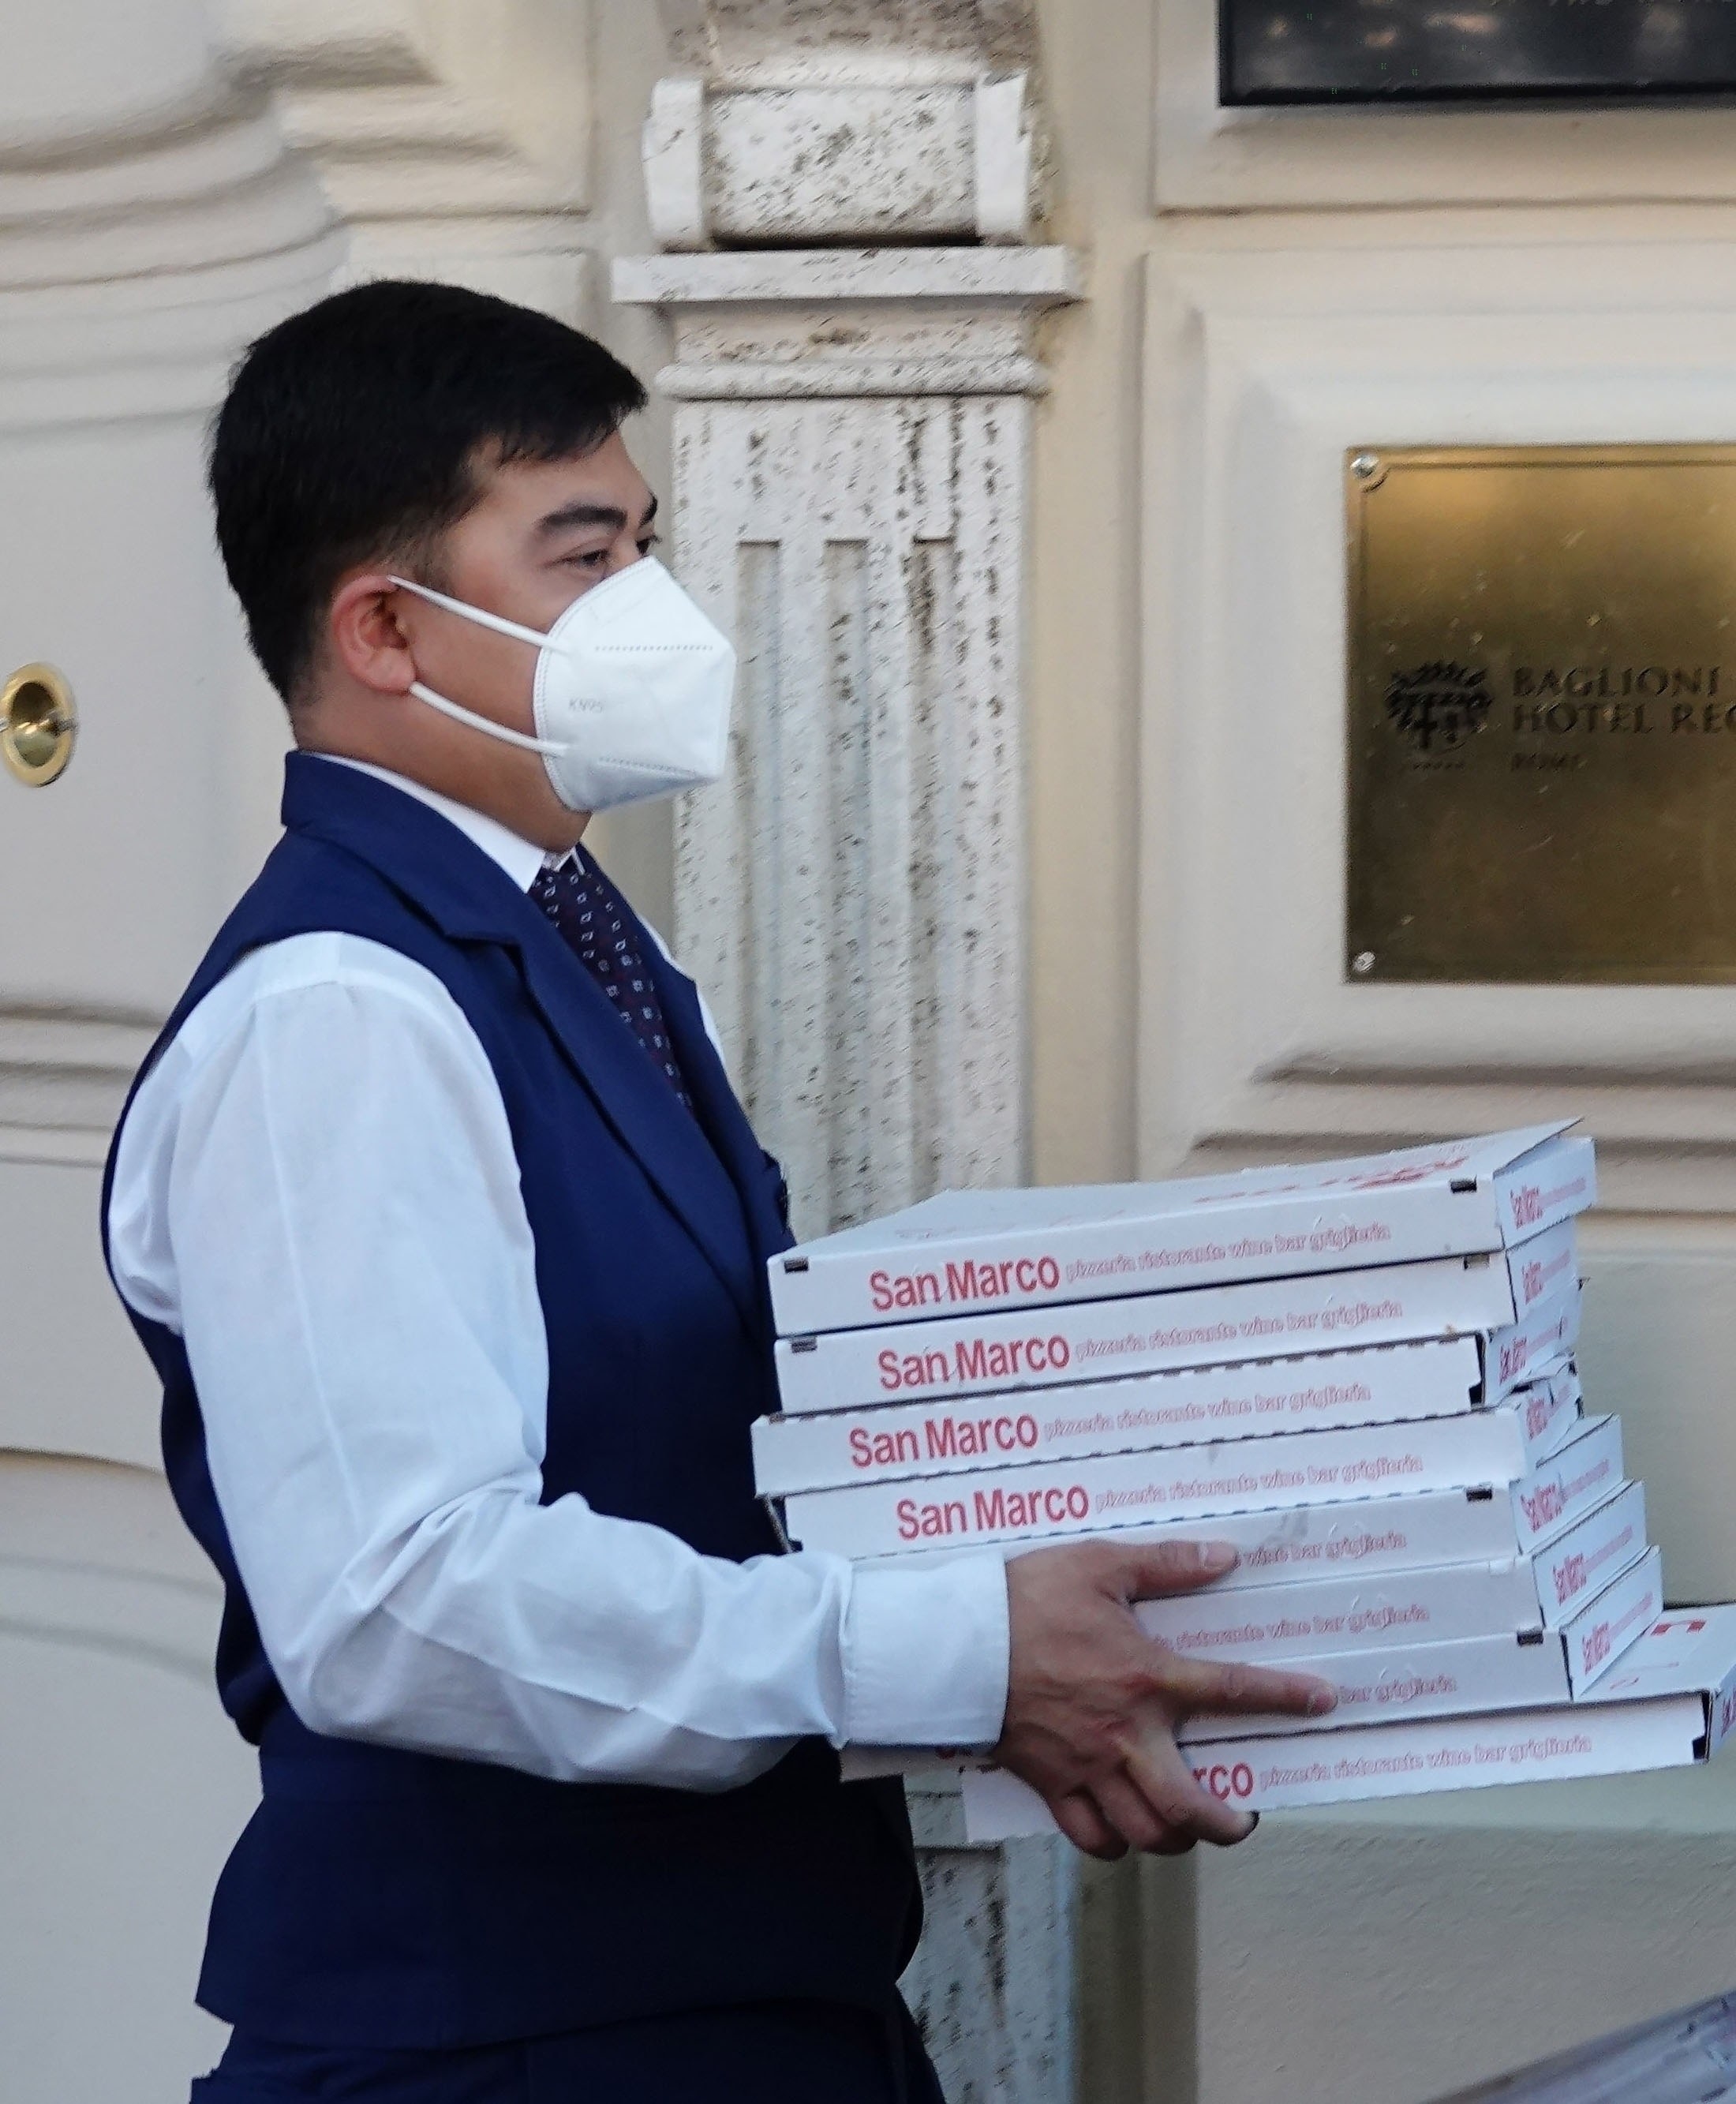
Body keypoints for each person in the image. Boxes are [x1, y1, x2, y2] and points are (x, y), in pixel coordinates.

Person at [103, 279, 1335, 2104]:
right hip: (512, 2035)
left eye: (645, 544)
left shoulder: (560, 936)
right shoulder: (337, 1012)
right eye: (582, 556)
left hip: (723, 1993)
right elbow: (400, 1596)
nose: (650, 613)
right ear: (385, 625)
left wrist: (1029, 1584)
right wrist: (943, 1646)